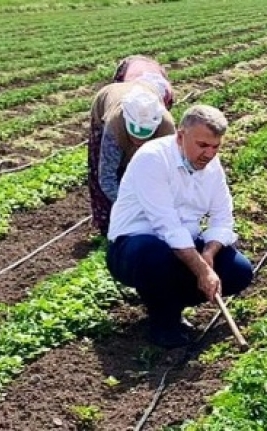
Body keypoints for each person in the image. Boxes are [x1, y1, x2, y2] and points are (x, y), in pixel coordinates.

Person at [105, 105, 254, 349]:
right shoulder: (152, 158)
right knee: (155, 255)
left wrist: (208, 254)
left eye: (215, 147)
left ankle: (172, 304)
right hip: (134, 247)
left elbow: (222, 218)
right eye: (202, 145)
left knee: (239, 270)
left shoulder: (212, 167)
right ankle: (162, 324)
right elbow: (167, 226)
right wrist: (202, 271)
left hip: (181, 246)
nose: (209, 154)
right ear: (181, 136)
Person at [88, 81, 176, 236]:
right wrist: (129, 203)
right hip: (106, 101)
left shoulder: (166, 128)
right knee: (106, 171)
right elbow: (106, 176)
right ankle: (108, 225)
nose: (140, 142)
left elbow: (171, 171)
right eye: (135, 136)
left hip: (146, 89)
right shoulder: (114, 125)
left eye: (145, 136)